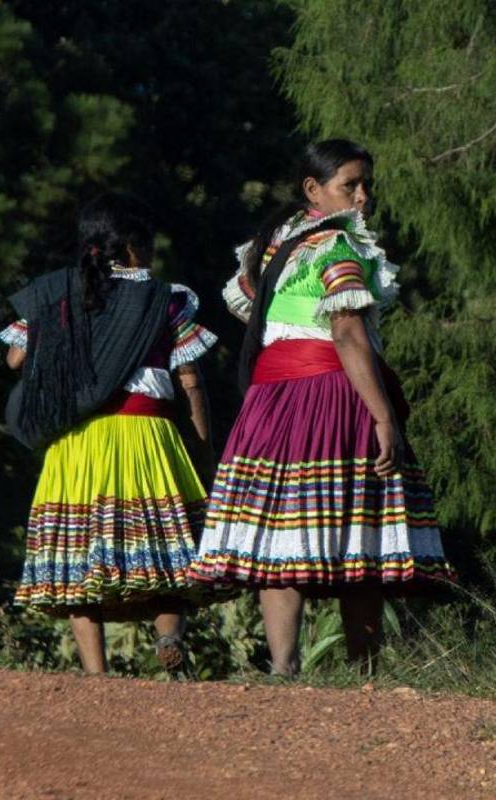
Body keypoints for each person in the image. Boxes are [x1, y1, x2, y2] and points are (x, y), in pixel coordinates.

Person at [186, 139, 455, 675]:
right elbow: (347, 332)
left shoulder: (273, 246)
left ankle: (283, 668)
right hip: (333, 396)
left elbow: (254, 308)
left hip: (269, 401)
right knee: (359, 532)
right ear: (313, 189)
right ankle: (364, 671)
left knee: (278, 533)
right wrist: (383, 416)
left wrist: (292, 345)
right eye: (350, 185)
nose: (363, 196)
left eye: (365, 184)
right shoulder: (338, 247)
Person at [0, 193, 217, 674]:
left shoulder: (57, 293)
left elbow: (15, 358)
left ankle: (97, 675)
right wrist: (202, 449)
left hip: (78, 443)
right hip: (146, 437)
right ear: (135, 248)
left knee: (79, 557)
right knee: (168, 553)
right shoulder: (164, 299)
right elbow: (191, 382)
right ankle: (168, 637)